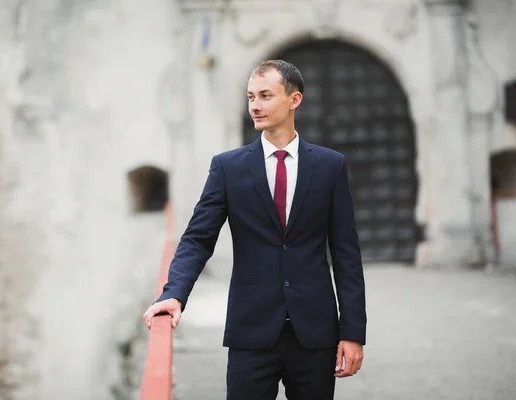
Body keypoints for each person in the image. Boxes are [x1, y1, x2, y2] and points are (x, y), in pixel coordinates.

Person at [143, 60, 366, 399]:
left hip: (316, 333)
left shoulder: (329, 165)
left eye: (265, 95)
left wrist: (352, 333)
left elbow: (346, 254)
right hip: (251, 331)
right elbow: (198, 238)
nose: (256, 106)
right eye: (251, 97)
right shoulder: (227, 168)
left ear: (294, 100)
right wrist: (174, 293)